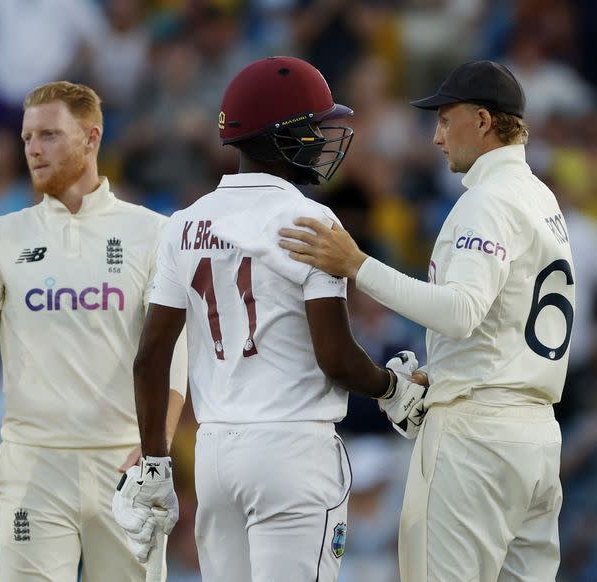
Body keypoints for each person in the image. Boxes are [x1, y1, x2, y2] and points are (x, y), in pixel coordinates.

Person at [111, 56, 427, 582]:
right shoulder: (309, 218)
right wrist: (391, 386)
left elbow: (149, 359)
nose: (324, 138)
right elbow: (334, 357)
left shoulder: (184, 223)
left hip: (214, 454)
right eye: (314, 127)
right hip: (292, 449)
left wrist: (155, 465)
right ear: (285, 137)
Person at [279, 60, 575, 581]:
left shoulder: (487, 200)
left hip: (476, 437)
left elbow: (462, 312)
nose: (436, 137)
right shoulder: (540, 197)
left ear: (482, 121)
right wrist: (445, 372)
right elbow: (496, 320)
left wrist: (357, 265)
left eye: (444, 119)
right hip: (536, 435)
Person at [0, 81, 187, 581]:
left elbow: (174, 352)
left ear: (92, 139)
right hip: (33, 467)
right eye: (27, 137)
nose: (31, 149)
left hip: (125, 467)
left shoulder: (153, 234)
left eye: (48, 135)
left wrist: (159, 444)